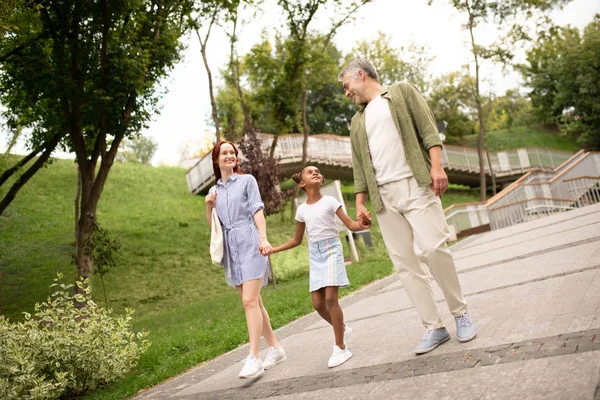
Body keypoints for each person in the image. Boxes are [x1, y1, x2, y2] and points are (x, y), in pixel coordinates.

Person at [338, 59, 477, 355]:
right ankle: (434, 327)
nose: (347, 94)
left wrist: (437, 168)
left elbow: (429, 132)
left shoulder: (401, 92)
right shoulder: (356, 122)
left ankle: (460, 312)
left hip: (416, 184)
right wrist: (360, 204)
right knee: (405, 264)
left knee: (434, 248)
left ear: (361, 75)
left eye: (347, 87)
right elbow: (360, 167)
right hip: (384, 198)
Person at [268, 166, 370, 367]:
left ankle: (341, 347)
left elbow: (351, 225)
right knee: (317, 304)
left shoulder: (330, 201)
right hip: (315, 254)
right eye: (309, 172)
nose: (315, 172)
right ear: (302, 183)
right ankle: (342, 328)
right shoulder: (302, 210)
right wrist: (274, 249)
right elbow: (297, 240)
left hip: (332, 249)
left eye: (317, 171)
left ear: (321, 179)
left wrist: (366, 223)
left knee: (331, 299)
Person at [205, 140, 286, 378]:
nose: (230, 156)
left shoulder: (247, 181)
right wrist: (208, 207)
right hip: (231, 250)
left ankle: (254, 357)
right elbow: (214, 228)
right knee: (256, 303)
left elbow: (257, 211)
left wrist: (263, 238)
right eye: (225, 153)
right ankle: (276, 349)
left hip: (251, 243)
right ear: (216, 159)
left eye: (232, 153)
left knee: (249, 302)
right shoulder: (214, 191)